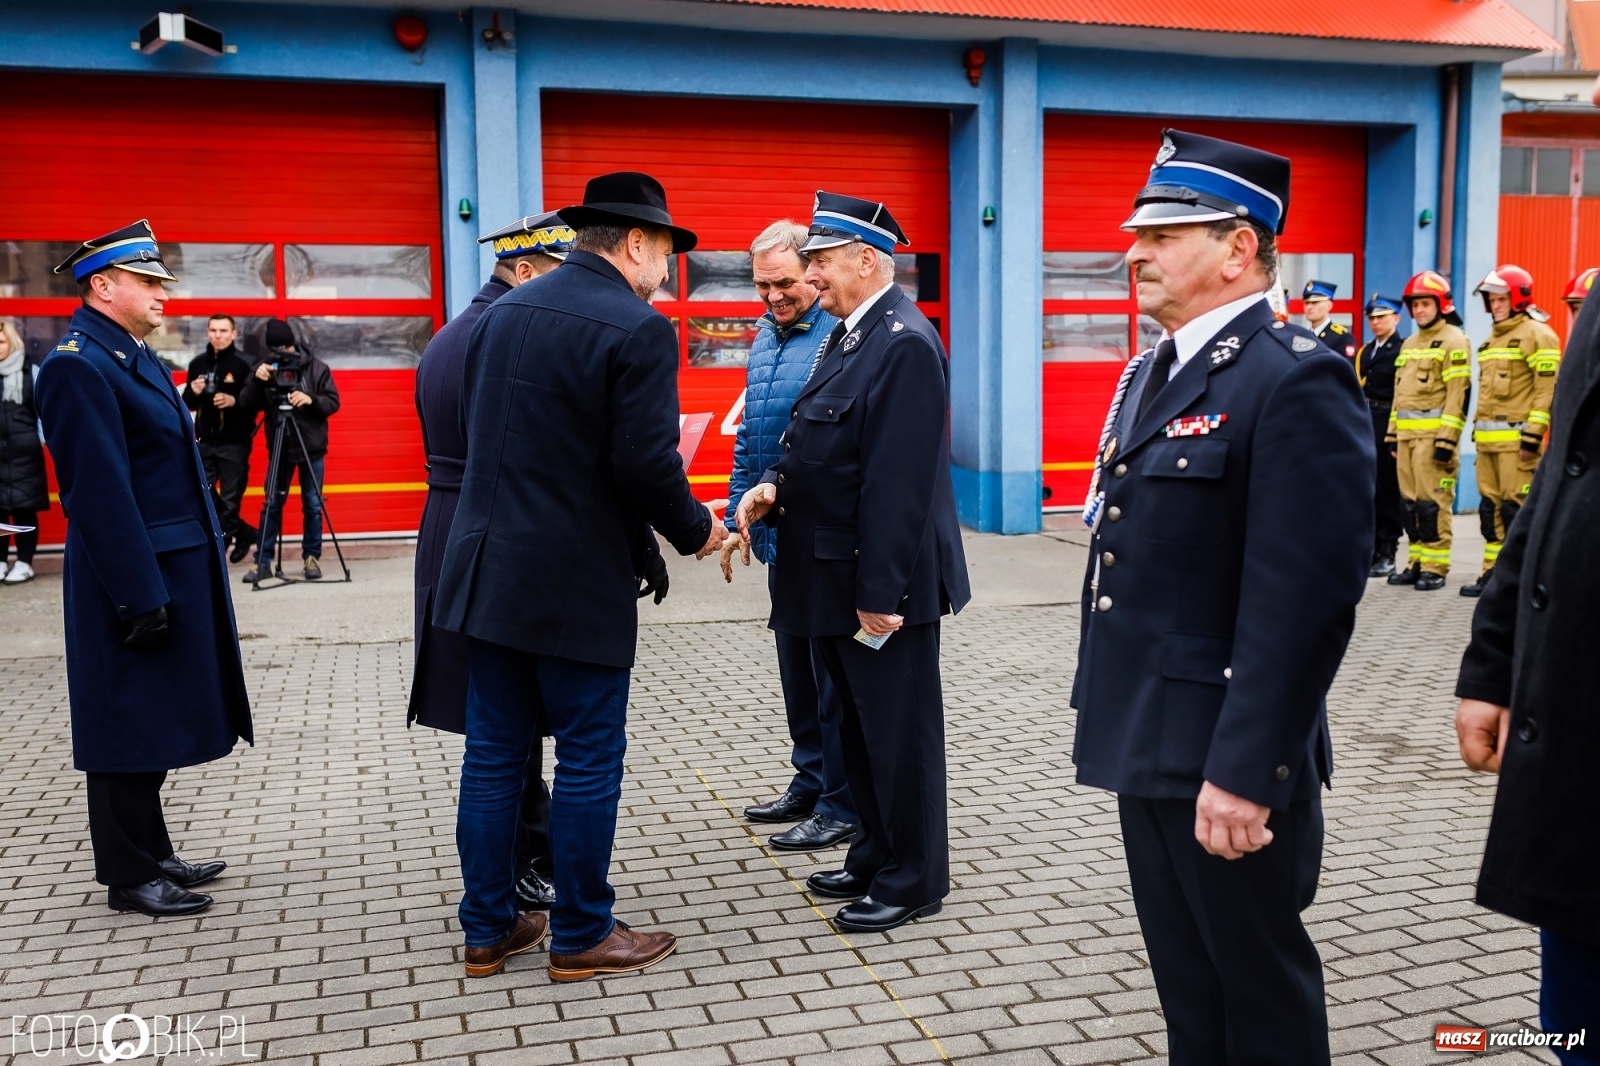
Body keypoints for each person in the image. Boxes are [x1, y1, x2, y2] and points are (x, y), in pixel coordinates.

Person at [1069, 130, 1373, 1065]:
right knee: (1190, 988)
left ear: (1239, 247)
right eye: (1137, 234)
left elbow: (1301, 603)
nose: (1134, 253)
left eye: (1163, 235)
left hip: (1225, 758)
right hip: (1151, 738)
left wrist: (1247, 771)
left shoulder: (1292, 375)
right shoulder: (1163, 367)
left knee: (1259, 991)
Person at [434, 172, 725, 981]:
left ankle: (489, 928)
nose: (667, 270)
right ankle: (581, 933)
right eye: (665, 251)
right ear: (635, 243)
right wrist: (697, 532)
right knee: (590, 756)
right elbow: (643, 461)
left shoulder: (502, 312)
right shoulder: (637, 328)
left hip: (488, 574)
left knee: (495, 756)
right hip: (570, 586)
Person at [735, 191, 971, 934]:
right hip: (830, 577)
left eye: (821, 262)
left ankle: (914, 877)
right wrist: (774, 485)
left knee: (898, 740)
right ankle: (873, 853)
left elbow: (899, 486)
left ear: (865, 261)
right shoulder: (849, 335)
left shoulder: (902, 340)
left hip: (874, 586)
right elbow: (823, 446)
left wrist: (880, 594)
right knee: (861, 736)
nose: (811, 276)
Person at [33, 220, 252, 917]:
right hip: (131, 577)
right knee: (125, 721)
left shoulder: (125, 352)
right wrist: (139, 595)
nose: (163, 294)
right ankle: (128, 876)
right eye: (149, 281)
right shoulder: (78, 363)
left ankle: (153, 851)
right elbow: (97, 495)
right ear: (104, 285)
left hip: (167, 567)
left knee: (154, 715)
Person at [409, 211, 576, 913]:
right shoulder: (503, 337)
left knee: (498, 724)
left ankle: (516, 869)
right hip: (492, 533)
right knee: (505, 725)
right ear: (528, 269)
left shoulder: (456, 332)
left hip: (453, 525)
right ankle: (518, 871)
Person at [1455, 265, 1600, 1066]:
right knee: (1575, 1021)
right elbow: (1562, 473)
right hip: (1576, 737)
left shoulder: (1540, 337)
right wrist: (1493, 661)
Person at [720, 220, 859, 852]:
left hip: (823, 539)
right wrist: (735, 514)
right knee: (797, 674)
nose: (773, 296)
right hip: (778, 534)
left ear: (815, 272)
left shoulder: (841, 338)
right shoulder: (764, 339)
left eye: (784, 282)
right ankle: (810, 778)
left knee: (833, 681)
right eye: (761, 285)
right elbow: (750, 438)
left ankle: (841, 801)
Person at [1460, 265, 1561, 598]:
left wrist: (1533, 435)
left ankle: (1520, 578)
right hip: (1488, 444)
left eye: (1501, 298)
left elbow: (1546, 389)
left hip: (1518, 445)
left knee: (1515, 510)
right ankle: (1493, 575)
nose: (1496, 305)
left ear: (1517, 299)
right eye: (1492, 299)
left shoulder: (1538, 334)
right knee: (1491, 513)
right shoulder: (1493, 338)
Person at [1386, 271, 1471, 591]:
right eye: (1415, 305)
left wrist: (1447, 440)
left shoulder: (1455, 340)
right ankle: (1416, 561)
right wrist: (1394, 434)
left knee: (1432, 504)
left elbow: (1458, 394)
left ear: (1441, 305)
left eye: (1425, 304)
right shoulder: (1409, 343)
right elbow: (1399, 393)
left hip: (1434, 441)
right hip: (1407, 441)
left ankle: (1436, 566)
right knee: (1409, 506)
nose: (1419, 310)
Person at [239, 319, 340, 583]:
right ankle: (262, 561)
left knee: (313, 505)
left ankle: (311, 558)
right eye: (275, 349)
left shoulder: (317, 368)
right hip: (281, 447)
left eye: (284, 347)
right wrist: (256, 380)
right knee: (271, 503)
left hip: (311, 447)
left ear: (292, 343)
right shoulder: (266, 368)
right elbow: (246, 403)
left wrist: (311, 399)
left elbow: (333, 402)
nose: (282, 354)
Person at [184, 314, 259, 564]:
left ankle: (219, 551)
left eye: (223, 331)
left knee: (229, 499)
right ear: (207, 332)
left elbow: (258, 402)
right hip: (204, 441)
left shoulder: (245, 363)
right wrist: (193, 392)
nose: (218, 335)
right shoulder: (197, 364)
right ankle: (245, 532)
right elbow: (186, 404)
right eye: (213, 330)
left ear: (234, 334)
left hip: (234, 443)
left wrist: (233, 401)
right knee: (201, 493)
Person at [1354, 294, 1406, 578]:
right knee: (1370, 491)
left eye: (1382, 317)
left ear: (1396, 318)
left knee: (1388, 492)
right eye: (1372, 318)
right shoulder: (1366, 351)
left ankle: (1388, 552)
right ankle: (1372, 550)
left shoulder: (1403, 349)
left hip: (1389, 422)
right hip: (1367, 422)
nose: (1375, 323)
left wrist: (1396, 434)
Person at [0, 318, 48, 584]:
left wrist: (43, 440)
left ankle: (24, 562)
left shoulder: (30, 371)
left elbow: (43, 410)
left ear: (12, 342)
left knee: (23, 509)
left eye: (2, 342)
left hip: (24, 455)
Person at [1301, 279, 1356, 360]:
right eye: (1306, 303)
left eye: (1315, 302)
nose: (1309, 307)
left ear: (1329, 306)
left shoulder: (1342, 337)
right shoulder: (1303, 336)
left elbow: (1346, 369)